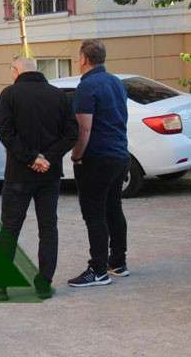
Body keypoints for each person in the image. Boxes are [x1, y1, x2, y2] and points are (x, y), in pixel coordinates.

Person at [0, 58, 78, 301]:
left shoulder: (9, 95)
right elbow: (71, 134)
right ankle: (44, 283)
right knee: (48, 228)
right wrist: (47, 158)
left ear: (16, 71)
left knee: (10, 228)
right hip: (49, 174)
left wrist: (31, 158)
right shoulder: (58, 96)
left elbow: (6, 134)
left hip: (18, 174)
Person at [68, 39, 130, 288]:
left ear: (84, 58)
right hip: (120, 154)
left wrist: (76, 155)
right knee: (113, 208)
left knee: (94, 213)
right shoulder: (116, 82)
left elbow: (84, 128)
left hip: (96, 158)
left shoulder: (86, 86)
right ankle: (118, 262)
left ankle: (98, 270)